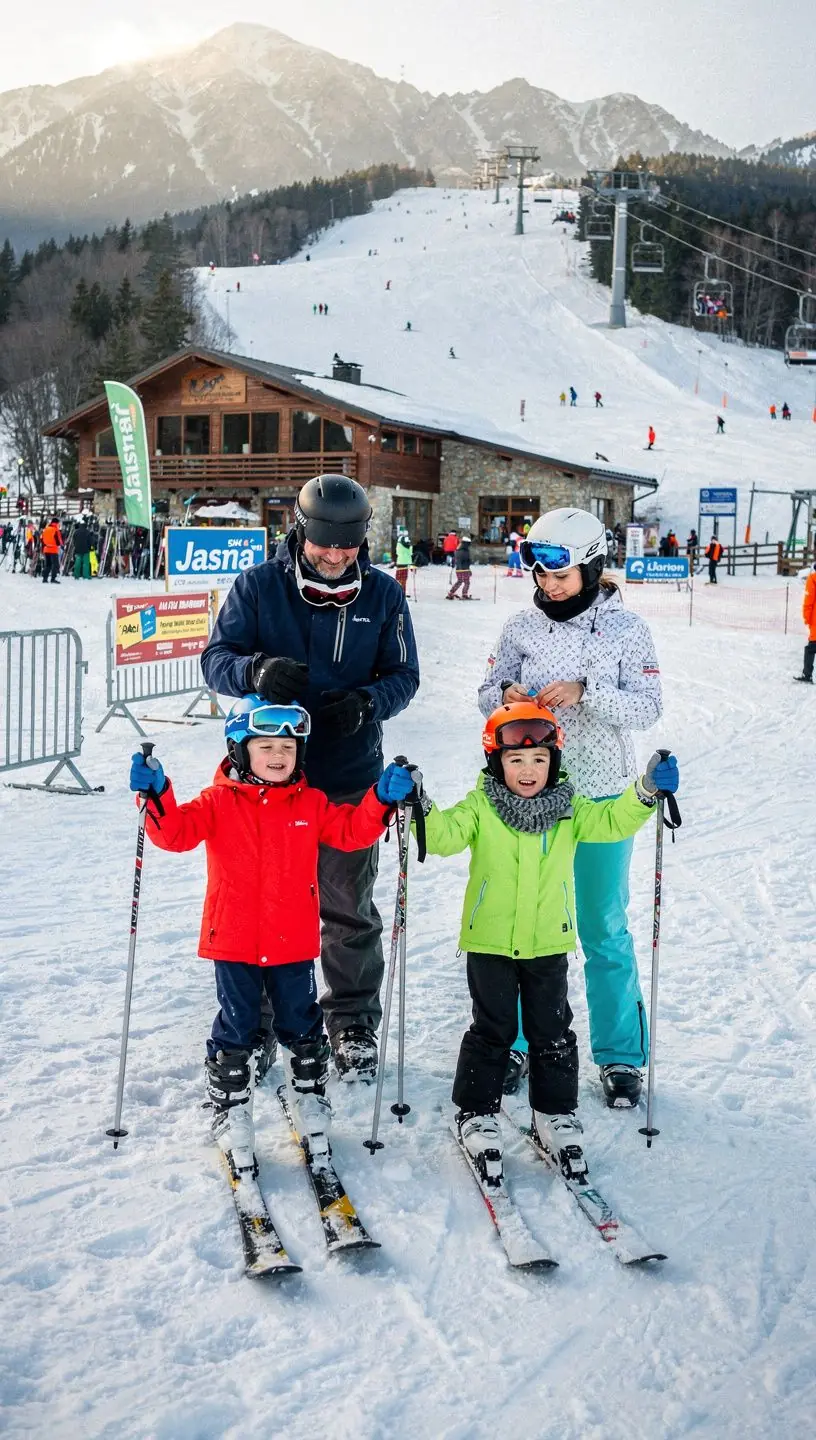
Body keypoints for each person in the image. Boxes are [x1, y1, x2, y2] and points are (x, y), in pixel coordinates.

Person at [128, 698, 415, 1167]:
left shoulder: (311, 802)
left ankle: (309, 1097)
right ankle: (231, 1108)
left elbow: (351, 834)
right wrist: (157, 793)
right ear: (240, 750)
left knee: (301, 1023)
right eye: (265, 745)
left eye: (288, 745)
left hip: (291, 944)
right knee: (238, 1026)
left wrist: (380, 800)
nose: (278, 754)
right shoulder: (218, 800)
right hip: (234, 942)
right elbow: (176, 834)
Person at [200, 475, 420, 1081]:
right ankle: (262, 1022)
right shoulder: (259, 586)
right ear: (301, 533)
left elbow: (404, 674)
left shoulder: (381, 595)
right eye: (325, 545)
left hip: (347, 774)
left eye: (347, 547)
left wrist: (368, 703)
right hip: (266, 783)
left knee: (348, 905)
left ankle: (350, 1021)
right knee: (269, 906)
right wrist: (256, 669)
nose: (335, 556)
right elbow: (215, 661)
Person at [415, 702, 678, 1177]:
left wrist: (644, 790)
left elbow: (610, 822)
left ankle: (555, 1113)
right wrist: (419, 803)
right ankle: (476, 1112)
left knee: (552, 1032)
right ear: (497, 762)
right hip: (490, 943)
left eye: (538, 760)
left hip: (549, 944)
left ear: (554, 761)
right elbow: (444, 836)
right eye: (516, 761)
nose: (528, 770)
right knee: (492, 1029)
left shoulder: (570, 807)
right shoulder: (481, 806)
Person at [478, 508, 663, 1109]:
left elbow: (647, 707)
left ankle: (620, 1055)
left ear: (591, 565)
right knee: (530, 929)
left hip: (602, 792)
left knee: (603, 927)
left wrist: (589, 692)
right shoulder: (521, 627)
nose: (548, 585)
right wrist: (504, 696)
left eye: (560, 574)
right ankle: (526, 1043)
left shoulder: (625, 629)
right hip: (532, 797)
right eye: (539, 573)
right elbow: (486, 692)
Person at [793, 559, 816, 683]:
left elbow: (809, 601)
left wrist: (806, 617)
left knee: (811, 648)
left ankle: (807, 675)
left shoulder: (812, 579)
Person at [447, 534, 473, 599]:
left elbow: (454, 559)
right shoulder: (465, 551)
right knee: (467, 582)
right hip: (464, 569)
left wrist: (454, 565)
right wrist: (469, 568)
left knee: (459, 581)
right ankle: (464, 594)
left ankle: (451, 593)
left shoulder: (457, 550)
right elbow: (467, 561)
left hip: (458, 569)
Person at [40, 515, 63, 584]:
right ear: (56, 523)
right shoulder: (56, 530)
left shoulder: (46, 529)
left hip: (46, 549)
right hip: (53, 549)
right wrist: (61, 544)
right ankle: (53, 579)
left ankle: (45, 578)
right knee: (55, 565)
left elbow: (41, 539)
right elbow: (58, 541)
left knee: (48, 565)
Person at [394, 528, 413, 593]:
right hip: (406, 562)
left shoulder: (399, 543)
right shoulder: (409, 545)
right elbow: (410, 553)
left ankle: (397, 592)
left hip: (400, 562)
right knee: (404, 579)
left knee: (398, 578)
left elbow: (397, 552)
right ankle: (403, 592)